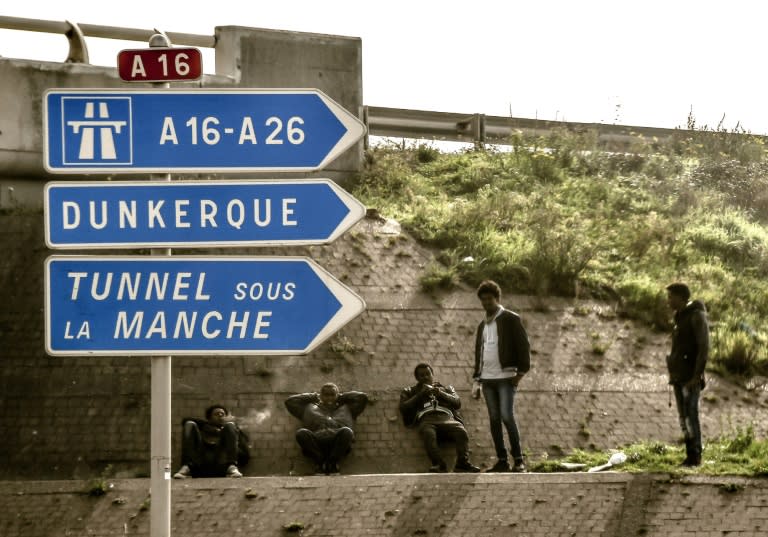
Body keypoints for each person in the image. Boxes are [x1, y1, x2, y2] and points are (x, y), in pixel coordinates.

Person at [472, 280, 530, 473]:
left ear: (497, 298)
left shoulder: (510, 318)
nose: (487, 303)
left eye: (490, 299)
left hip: (506, 378)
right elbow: (478, 353)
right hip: (487, 380)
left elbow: (524, 347)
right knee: (494, 419)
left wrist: (520, 374)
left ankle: (519, 460)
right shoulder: (482, 325)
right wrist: (476, 379)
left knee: (507, 416)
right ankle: (502, 460)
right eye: (483, 300)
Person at [399, 363, 481, 473]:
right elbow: (403, 407)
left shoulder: (446, 388)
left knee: (460, 430)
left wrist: (440, 393)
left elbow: (457, 403)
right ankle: (438, 464)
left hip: (447, 417)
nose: (425, 377)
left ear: (432, 375)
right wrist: (420, 395)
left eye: (428, 374)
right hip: (427, 419)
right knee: (428, 433)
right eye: (421, 375)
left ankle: (462, 463)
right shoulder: (410, 391)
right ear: (417, 378)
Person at [665, 282, 709, 467]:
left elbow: (703, 347)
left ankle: (695, 455)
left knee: (691, 414)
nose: (668, 301)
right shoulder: (679, 317)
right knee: (683, 417)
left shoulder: (696, 316)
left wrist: (696, 376)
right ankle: (689, 454)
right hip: (678, 376)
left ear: (681, 297)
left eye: (670, 297)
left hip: (690, 377)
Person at [284, 383, 368, 475]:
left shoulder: (347, 408)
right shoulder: (309, 408)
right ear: (321, 395)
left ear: (337, 395)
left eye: (332, 395)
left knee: (347, 432)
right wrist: (312, 396)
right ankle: (320, 462)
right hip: (317, 440)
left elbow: (362, 398)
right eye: (326, 395)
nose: (329, 398)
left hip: (338, 441)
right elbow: (290, 402)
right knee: (301, 433)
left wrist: (342, 397)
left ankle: (332, 463)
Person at [173, 404, 248, 478]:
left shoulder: (232, 431)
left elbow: (244, 458)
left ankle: (232, 466)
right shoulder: (202, 428)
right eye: (216, 414)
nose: (220, 415)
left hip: (222, 466)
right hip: (199, 466)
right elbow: (185, 420)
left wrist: (230, 444)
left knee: (230, 425)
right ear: (209, 418)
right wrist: (208, 427)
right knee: (189, 424)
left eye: (223, 414)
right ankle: (186, 466)